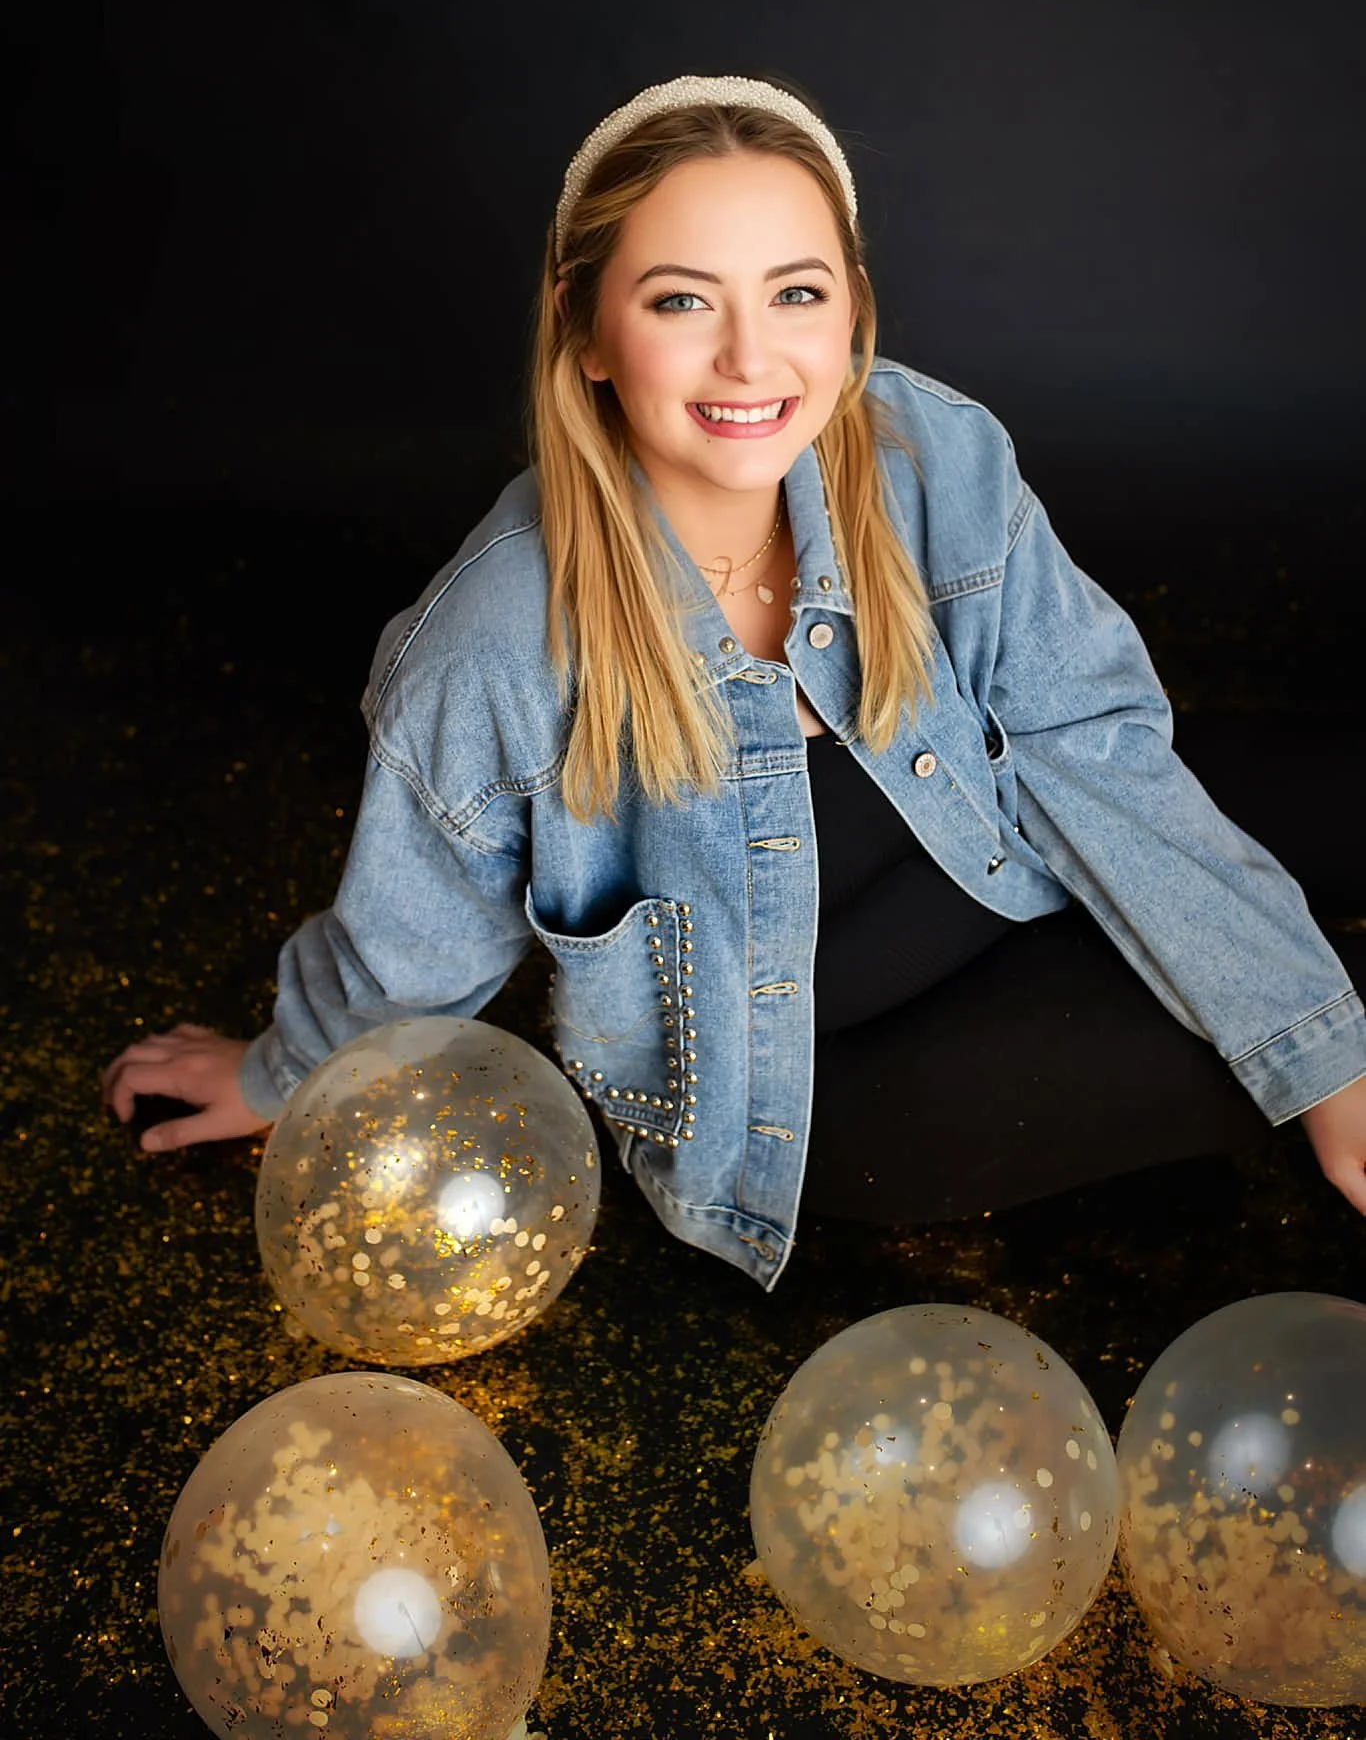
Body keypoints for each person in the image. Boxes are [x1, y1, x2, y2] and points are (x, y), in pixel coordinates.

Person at [101, 73, 1366, 1288]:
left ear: (853, 307)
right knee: (1290, 1049)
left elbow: (1090, 741)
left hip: (993, 861)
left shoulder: (936, 454)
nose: (751, 360)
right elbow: (409, 939)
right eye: (680, 302)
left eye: (795, 293)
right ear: (587, 330)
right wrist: (281, 1071)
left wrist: (1288, 1007)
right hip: (823, 1086)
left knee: (1304, 803)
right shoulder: (490, 639)